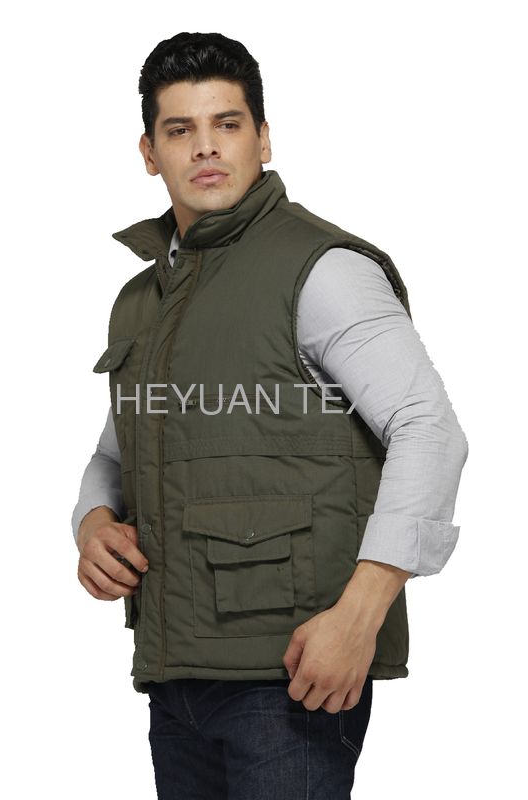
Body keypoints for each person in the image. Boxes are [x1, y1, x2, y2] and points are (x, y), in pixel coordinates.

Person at [72, 31, 468, 799]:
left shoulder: (322, 270)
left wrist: (358, 615)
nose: (205, 147)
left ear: (262, 137)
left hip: (291, 675)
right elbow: (116, 454)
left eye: (226, 123)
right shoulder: (143, 299)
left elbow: (429, 430)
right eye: (179, 129)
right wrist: (91, 523)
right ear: (150, 152)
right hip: (175, 676)